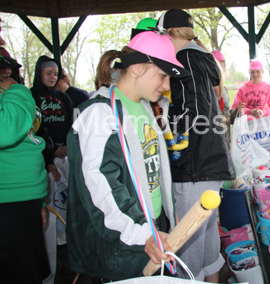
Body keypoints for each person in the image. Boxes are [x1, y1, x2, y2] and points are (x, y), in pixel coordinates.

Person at [66, 31, 190, 282]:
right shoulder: (99, 115)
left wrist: (166, 214)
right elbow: (101, 187)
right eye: (163, 75)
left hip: (151, 228)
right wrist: (142, 234)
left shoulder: (144, 107)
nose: (166, 86)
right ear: (136, 68)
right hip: (123, 240)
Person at [157, 9, 235, 282]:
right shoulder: (201, 57)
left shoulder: (183, 59)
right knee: (207, 227)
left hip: (194, 162)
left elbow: (194, 114)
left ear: (170, 35)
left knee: (186, 234)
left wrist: (165, 120)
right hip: (211, 159)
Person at [0, 56, 51, 283]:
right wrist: (18, 91)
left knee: (29, 274)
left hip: (23, 196)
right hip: (7, 198)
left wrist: (38, 201)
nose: (6, 74)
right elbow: (7, 131)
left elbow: (31, 136)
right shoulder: (13, 92)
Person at [30, 56, 74, 160]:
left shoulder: (63, 97)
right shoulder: (30, 96)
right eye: (48, 73)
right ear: (39, 73)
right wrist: (53, 148)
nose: (53, 77)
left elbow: (72, 121)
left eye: (55, 74)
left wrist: (67, 145)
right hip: (39, 154)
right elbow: (32, 128)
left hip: (64, 152)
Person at [211, 50, 232, 144]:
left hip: (226, 141)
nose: (219, 69)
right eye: (216, 65)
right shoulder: (207, 89)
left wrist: (237, 112)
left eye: (222, 66)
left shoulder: (224, 90)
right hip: (214, 142)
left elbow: (227, 114)